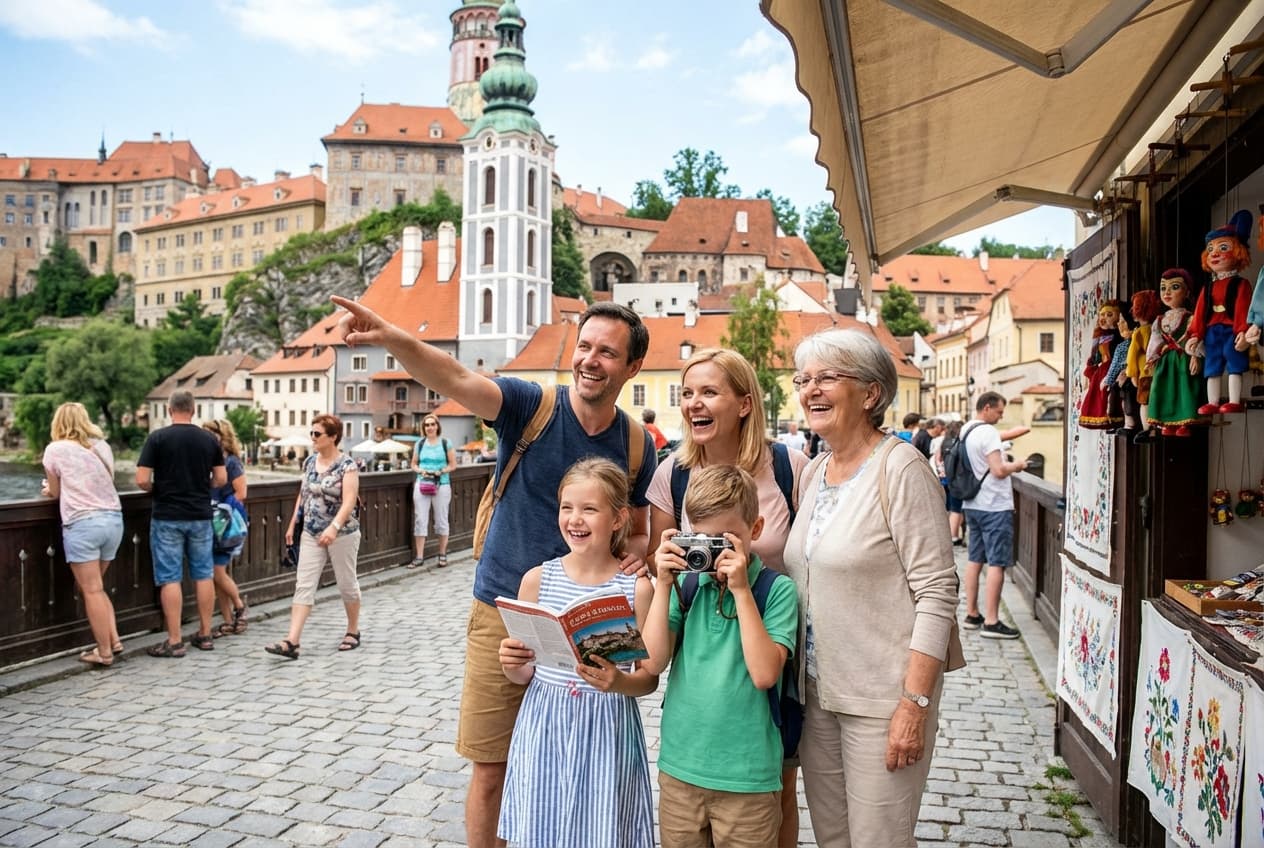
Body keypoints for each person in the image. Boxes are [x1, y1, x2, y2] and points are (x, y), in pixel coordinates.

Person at [331, 294, 655, 848]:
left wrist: (638, 554)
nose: (590, 360)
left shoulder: (635, 442)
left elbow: (640, 530)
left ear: (632, 367)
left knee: (580, 765)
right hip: (509, 611)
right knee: (492, 769)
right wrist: (391, 337)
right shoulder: (532, 405)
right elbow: (455, 377)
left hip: (588, 624)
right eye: (584, 347)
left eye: (606, 352)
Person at [782, 328, 962, 848]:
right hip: (816, 693)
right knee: (833, 838)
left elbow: (937, 592)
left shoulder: (901, 468)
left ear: (870, 394)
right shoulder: (815, 471)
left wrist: (914, 703)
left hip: (883, 699)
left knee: (878, 840)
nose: (811, 390)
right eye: (804, 379)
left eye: (827, 378)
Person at [646, 346, 808, 847]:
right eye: (687, 393)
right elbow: (660, 560)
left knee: (776, 790)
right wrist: (660, 574)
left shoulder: (789, 466)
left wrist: (744, 584)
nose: (694, 403)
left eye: (708, 392)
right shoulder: (672, 474)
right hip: (700, 651)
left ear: (743, 403)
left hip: (770, 646)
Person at [497, 458, 657, 848]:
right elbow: (525, 675)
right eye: (567, 508)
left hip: (606, 724)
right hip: (545, 722)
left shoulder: (636, 590)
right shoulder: (536, 580)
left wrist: (619, 681)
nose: (575, 519)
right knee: (543, 826)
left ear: (618, 519)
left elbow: (648, 679)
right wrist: (513, 665)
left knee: (602, 829)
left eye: (589, 509)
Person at [136, 390, 226, 658]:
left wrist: (161, 488)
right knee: (203, 574)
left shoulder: (158, 438)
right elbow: (220, 479)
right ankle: (205, 634)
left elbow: (141, 479)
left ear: (168, 409)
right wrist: (200, 486)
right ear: (194, 410)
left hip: (167, 515)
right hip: (199, 514)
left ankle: (175, 641)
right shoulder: (208, 439)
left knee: (170, 577)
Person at [266, 414, 362, 660]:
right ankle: (292, 641)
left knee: (346, 582)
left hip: (343, 533)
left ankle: (353, 630)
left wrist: (334, 527)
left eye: (317, 434)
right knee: (304, 585)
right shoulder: (309, 462)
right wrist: (293, 524)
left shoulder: (347, 465)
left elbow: (350, 500)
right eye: (312, 433)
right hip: (310, 530)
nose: (312, 438)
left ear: (333, 437)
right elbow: (303, 494)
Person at [41, 402, 124, 667]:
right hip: (113, 520)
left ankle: (104, 653)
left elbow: (54, 492)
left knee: (91, 589)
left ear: (58, 422)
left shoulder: (55, 449)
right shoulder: (102, 446)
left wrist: (48, 490)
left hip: (82, 522)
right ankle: (114, 639)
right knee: (96, 586)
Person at [961, 391, 1029, 639]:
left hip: (972, 503)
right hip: (993, 505)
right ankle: (991, 620)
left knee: (974, 559)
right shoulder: (988, 432)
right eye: (999, 412)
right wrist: (1018, 465)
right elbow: (998, 470)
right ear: (987, 408)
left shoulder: (967, 429)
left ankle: (972, 614)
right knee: (996, 563)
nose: (1001, 416)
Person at [203, 419, 249, 637]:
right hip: (211, 521)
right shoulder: (209, 459)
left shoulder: (231, 462)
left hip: (225, 523)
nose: (207, 436)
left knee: (217, 571)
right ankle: (228, 620)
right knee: (217, 574)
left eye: (211, 433)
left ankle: (240, 607)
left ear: (222, 435)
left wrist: (222, 510)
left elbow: (241, 493)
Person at [409, 415, 456, 568]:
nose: (429, 427)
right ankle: (419, 556)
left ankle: (442, 554)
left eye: (432, 424)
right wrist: (421, 470)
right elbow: (414, 464)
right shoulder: (420, 444)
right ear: (424, 428)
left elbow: (453, 465)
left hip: (441, 484)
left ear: (437, 426)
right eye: (427, 425)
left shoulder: (445, 443)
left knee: (441, 519)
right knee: (420, 519)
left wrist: (441, 471)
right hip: (422, 483)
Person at [934, 420, 966, 546]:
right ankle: (953, 536)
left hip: (944, 479)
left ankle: (946, 533)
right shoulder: (959, 443)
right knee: (956, 509)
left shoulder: (944, 442)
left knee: (947, 509)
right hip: (956, 480)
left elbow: (937, 459)